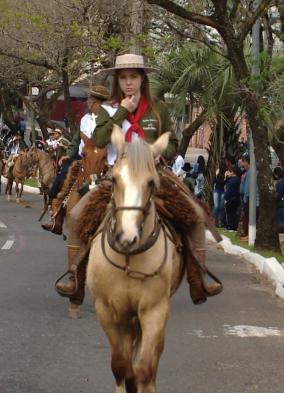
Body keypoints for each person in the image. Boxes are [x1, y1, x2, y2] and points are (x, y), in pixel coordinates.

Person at [56, 53, 221, 307]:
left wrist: (156, 153)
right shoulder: (108, 109)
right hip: (115, 177)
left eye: (133, 77)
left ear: (142, 78)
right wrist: (124, 111)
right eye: (123, 78)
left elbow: (174, 143)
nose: (128, 83)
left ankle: (198, 278)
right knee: (77, 215)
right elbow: (98, 141)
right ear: (117, 81)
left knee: (196, 215)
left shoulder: (158, 108)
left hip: (154, 175)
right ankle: (74, 279)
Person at [224, 166, 241, 231]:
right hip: (235, 198)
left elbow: (229, 190)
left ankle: (230, 226)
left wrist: (226, 198)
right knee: (233, 213)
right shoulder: (237, 179)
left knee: (229, 213)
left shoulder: (233, 180)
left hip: (231, 199)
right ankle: (234, 226)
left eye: (229, 172)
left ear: (232, 172)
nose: (228, 173)